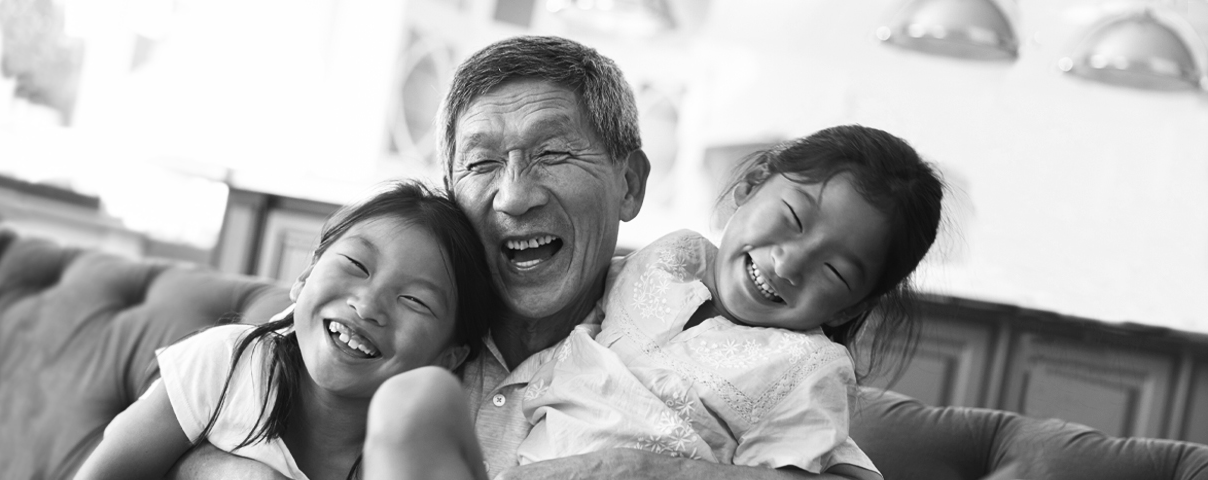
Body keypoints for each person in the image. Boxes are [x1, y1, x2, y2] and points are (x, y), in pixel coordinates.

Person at [170, 35, 883, 480]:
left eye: (552, 153)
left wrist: (637, 471)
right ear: (451, 190)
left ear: (630, 182)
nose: (513, 198)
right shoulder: (387, 327)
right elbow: (242, 423)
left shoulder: (699, 340)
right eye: (482, 164)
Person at [364, 125, 943, 480]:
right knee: (413, 400)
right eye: (791, 219)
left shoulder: (811, 369)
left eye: (835, 270)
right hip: (521, 462)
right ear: (749, 186)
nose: (789, 262)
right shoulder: (670, 256)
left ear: (846, 309)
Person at [74, 181, 500, 480]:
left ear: (449, 357)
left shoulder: (419, 448)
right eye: (356, 265)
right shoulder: (226, 365)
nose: (367, 306)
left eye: (415, 301)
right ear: (305, 275)